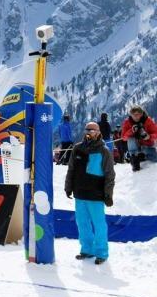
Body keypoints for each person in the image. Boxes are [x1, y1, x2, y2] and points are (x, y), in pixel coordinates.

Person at [65, 121, 115, 264]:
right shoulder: (77, 148)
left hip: (96, 195)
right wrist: (68, 187)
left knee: (99, 224)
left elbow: (110, 174)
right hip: (80, 193)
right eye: (87, 130)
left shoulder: (104, 150)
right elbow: (71, 169)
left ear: (98, 133)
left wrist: (108, 194)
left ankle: (101, 253)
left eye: (92, 130)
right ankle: (87, 250)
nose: (89, 133)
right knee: (82, 223)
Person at [120, 105, 157, 171]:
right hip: (134, 147)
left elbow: (156, 133)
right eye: (134, 115)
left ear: (141, 114)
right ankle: (134, 158)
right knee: (131, 139)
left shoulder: (148, 120)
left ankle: (142, 156)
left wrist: (149, 136)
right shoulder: (127, 122)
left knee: (155, 159)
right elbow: (123, 138)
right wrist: (131, 131)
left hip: (147, 145)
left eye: (138, 114)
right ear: (131, 115)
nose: (136, 116)